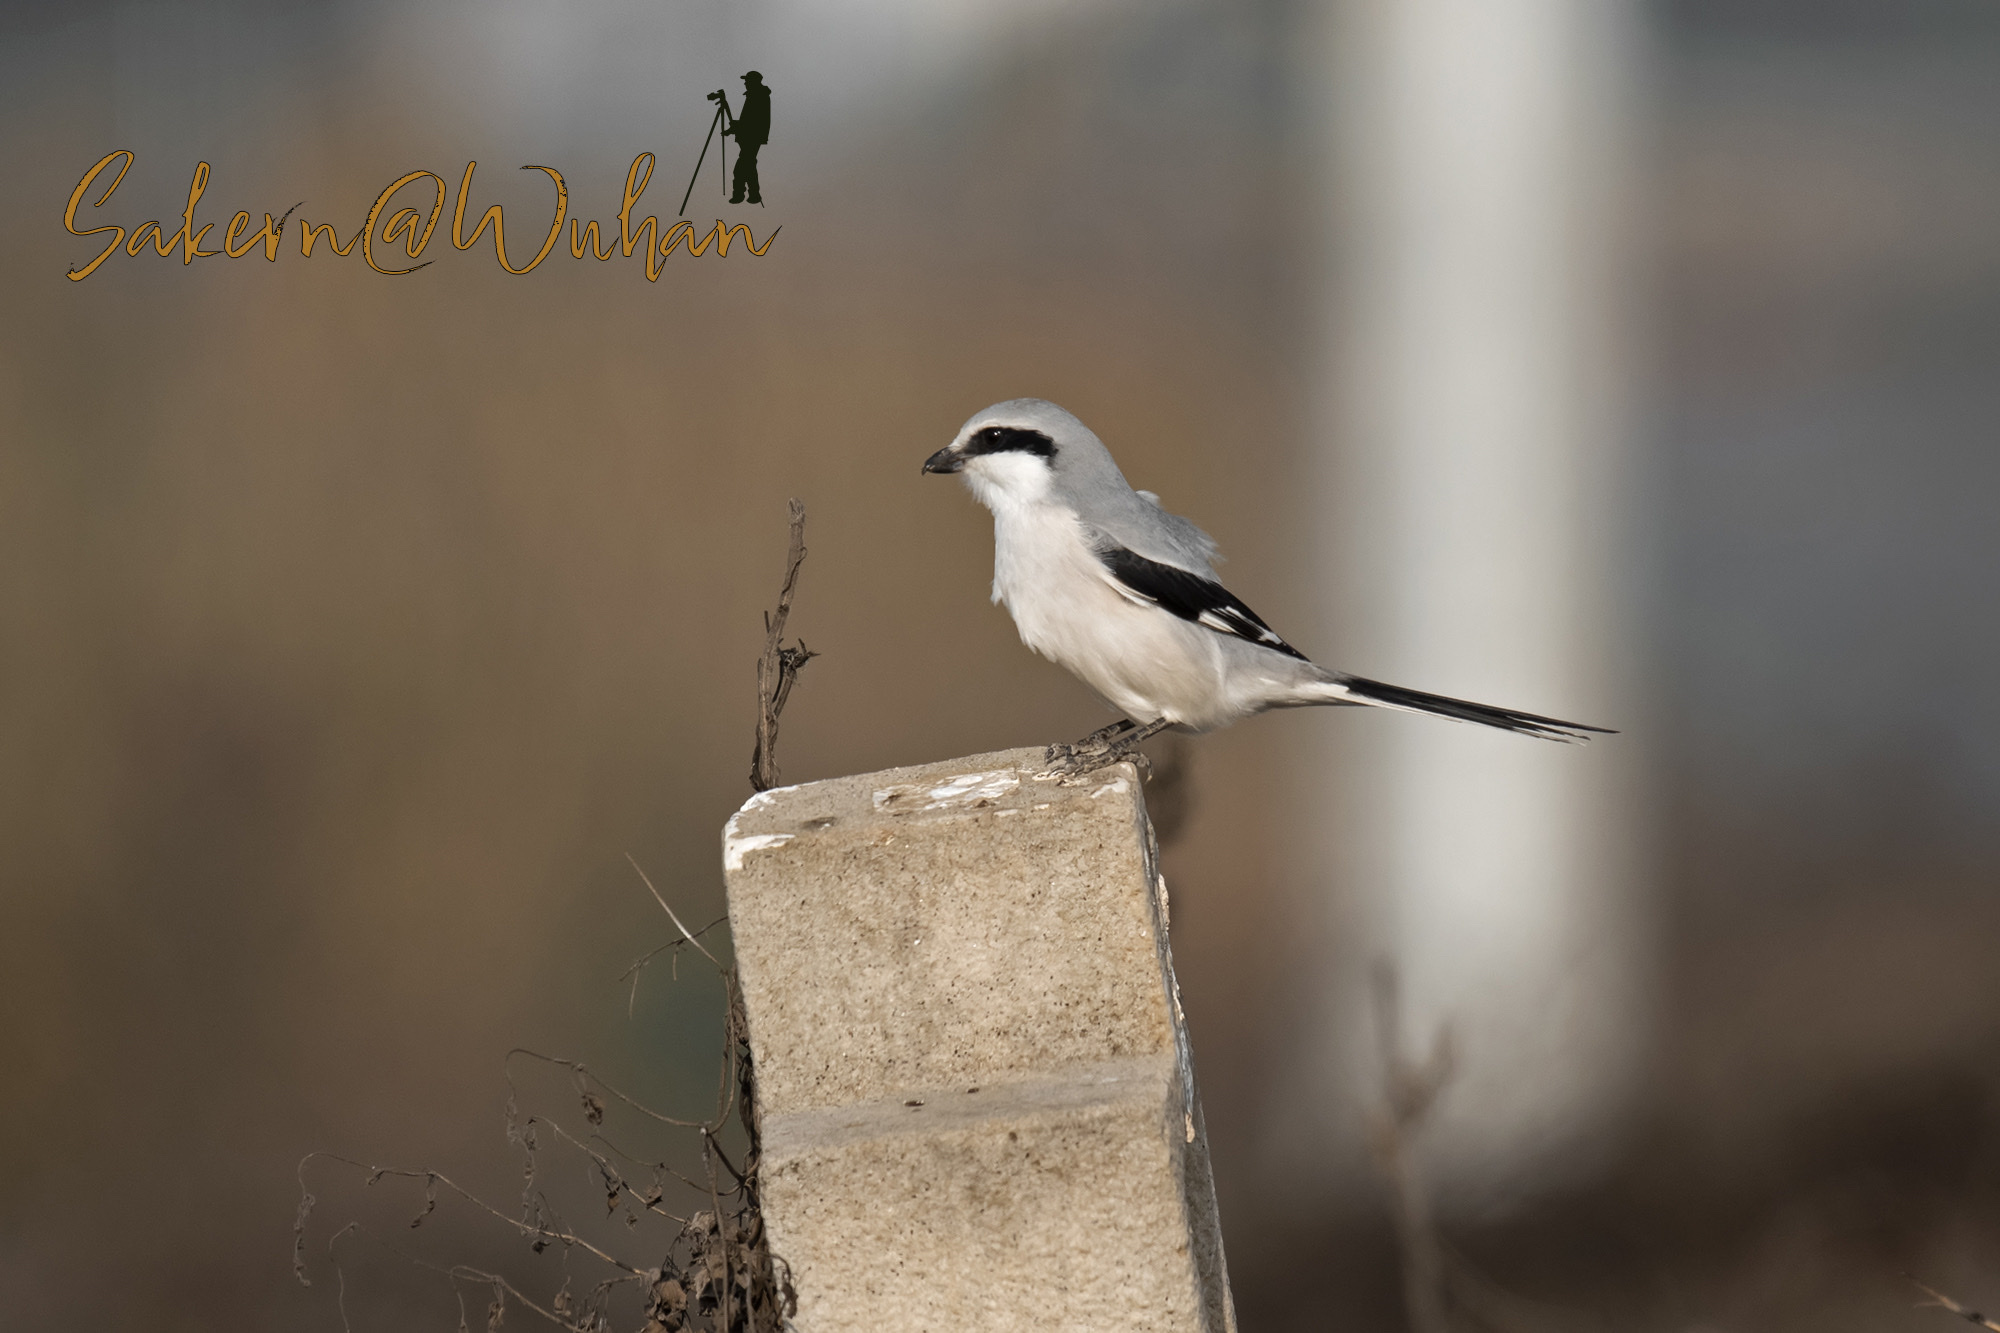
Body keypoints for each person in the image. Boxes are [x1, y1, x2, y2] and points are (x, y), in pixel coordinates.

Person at [723, 70, 770, 205]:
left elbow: (753, 122)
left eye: (747, 81)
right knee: (749, 166)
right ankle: (754, 195)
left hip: (752, 137)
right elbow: (749, 120)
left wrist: (736, 127)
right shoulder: (756, 94)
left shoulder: (757, 95)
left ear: (753, 82)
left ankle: (739, 195)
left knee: (741, 168)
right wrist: (735, 127)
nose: (745, 83)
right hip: (751, 137)